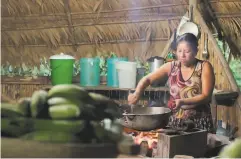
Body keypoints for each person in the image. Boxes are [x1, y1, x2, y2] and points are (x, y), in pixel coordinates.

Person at [128, 33, 215, 132]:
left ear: (196, 51)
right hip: (176, 124)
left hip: (199, 125)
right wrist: (136, 93)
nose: (182, 55)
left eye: (187, 51)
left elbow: (206, 96)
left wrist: (182, 101)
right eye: (179, 51)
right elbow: (147, 79)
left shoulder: (204, 66)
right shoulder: (171, 66)